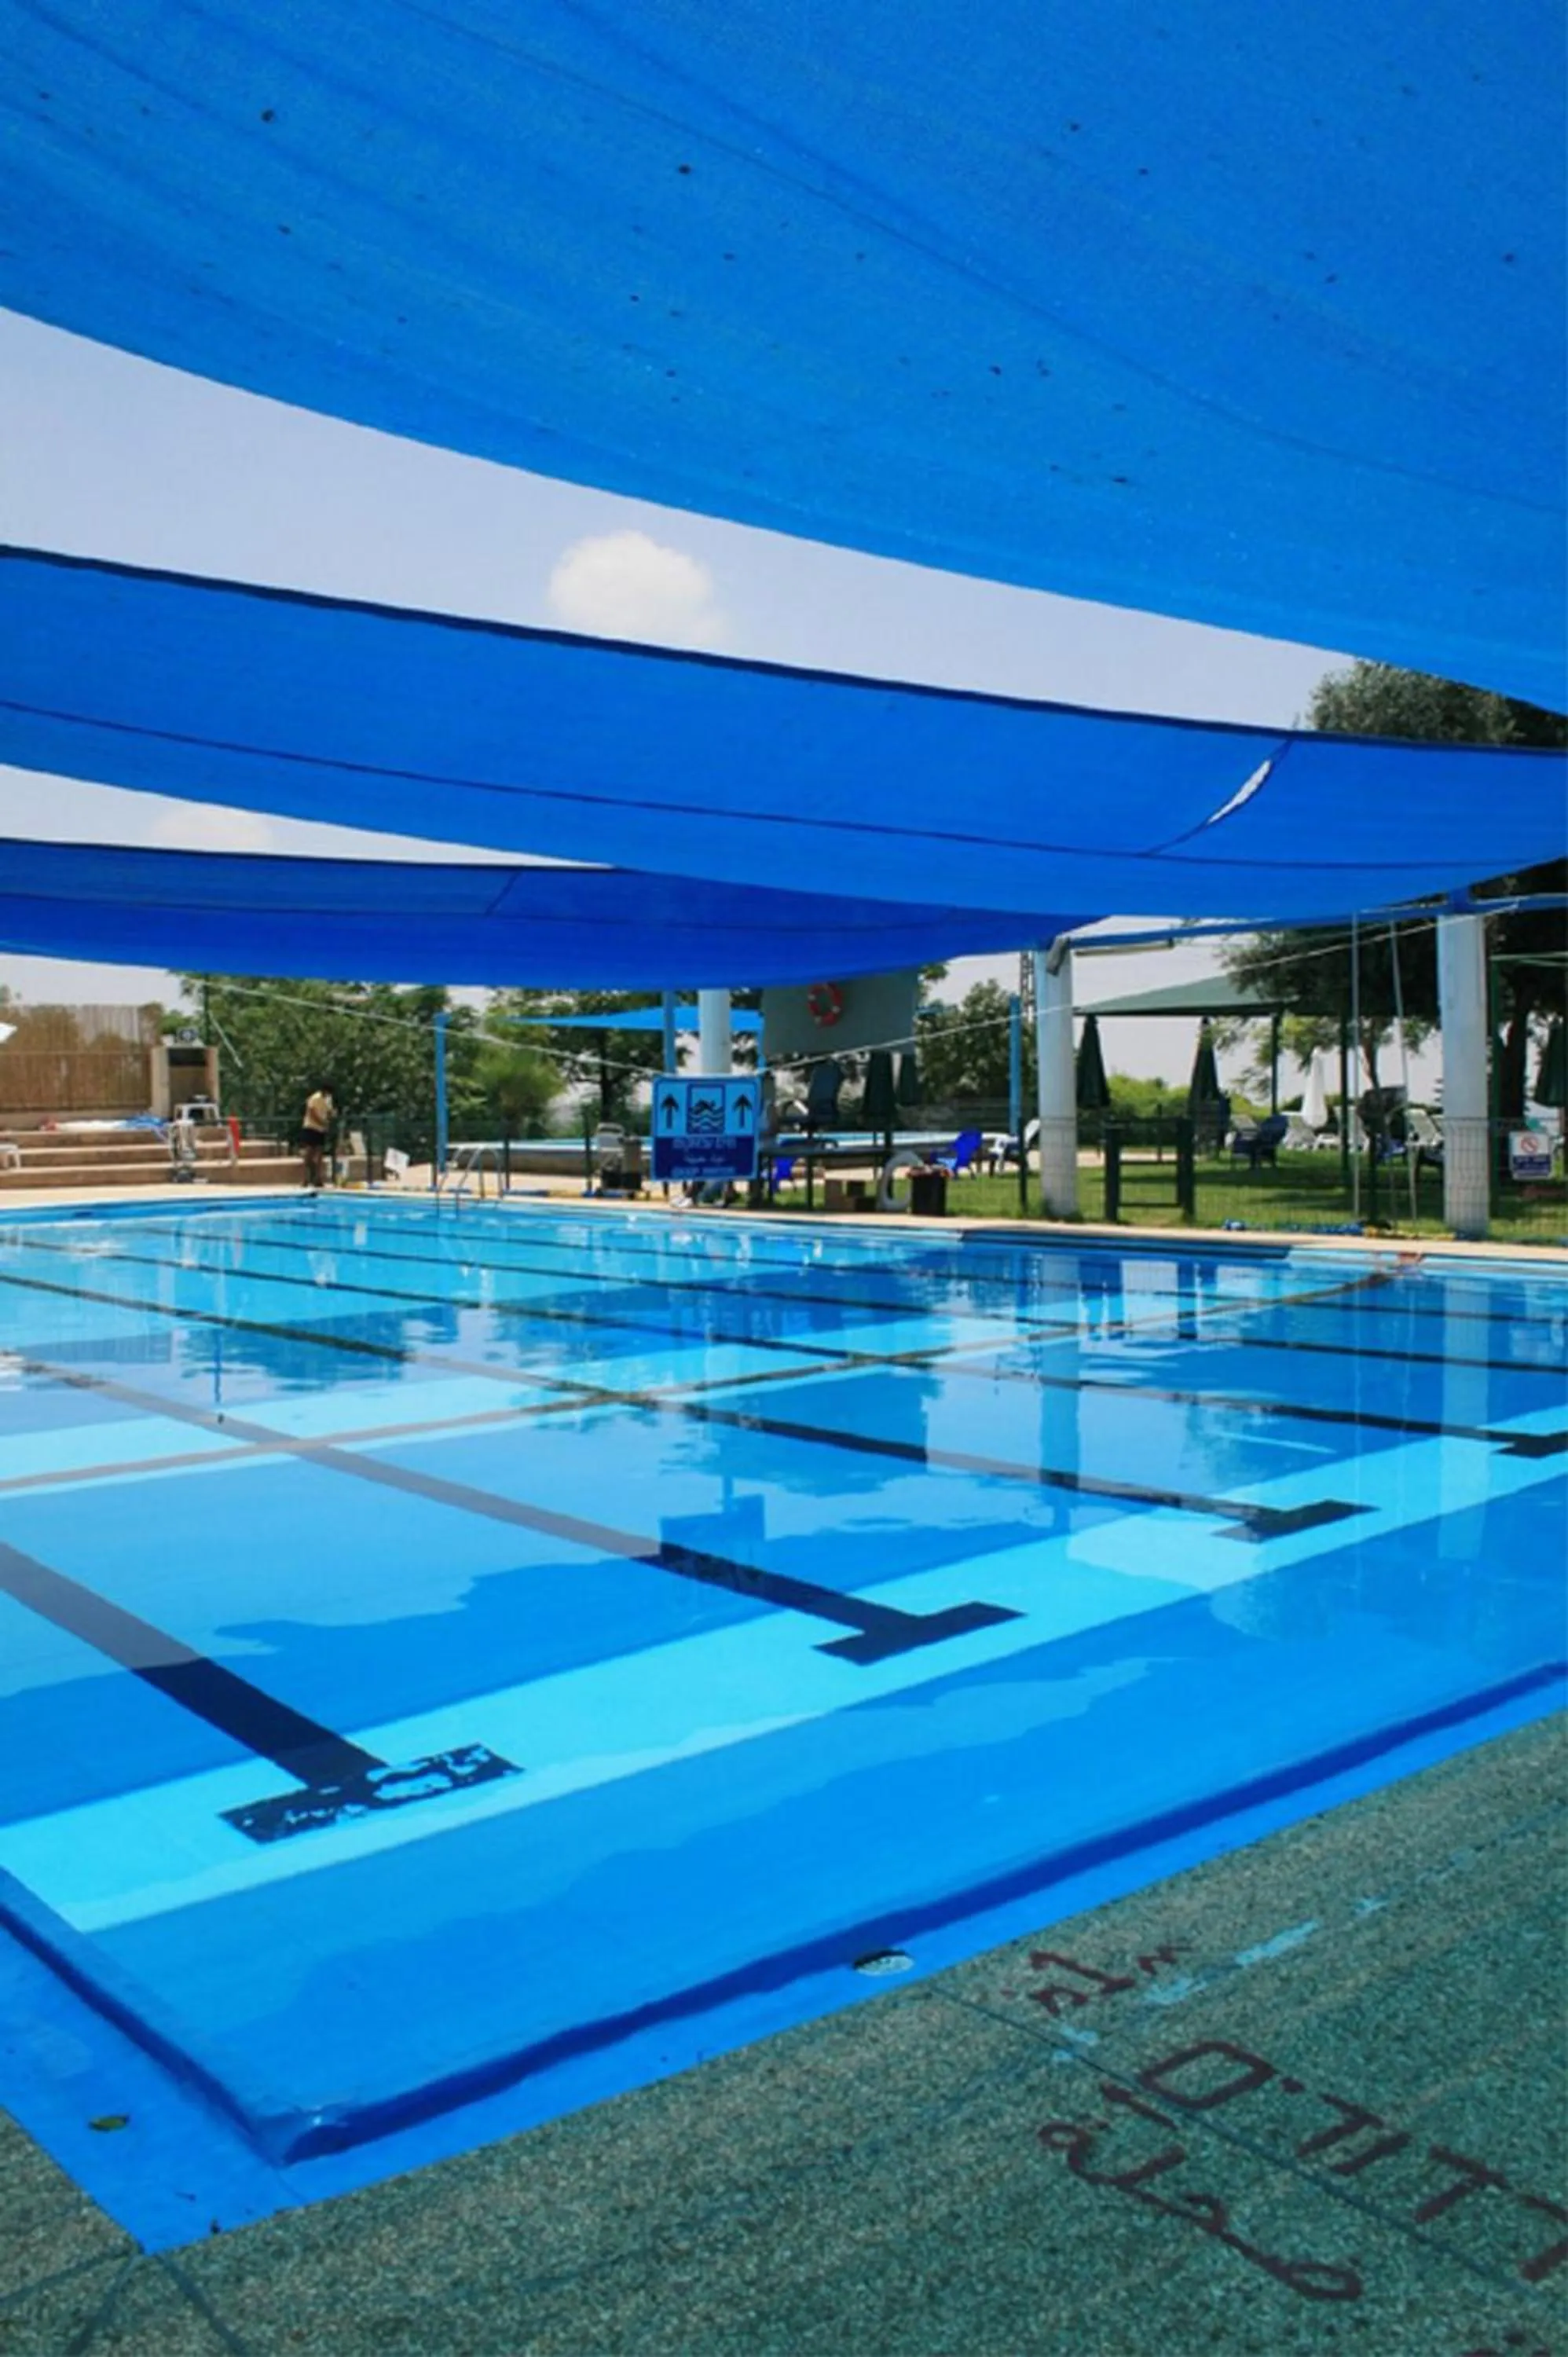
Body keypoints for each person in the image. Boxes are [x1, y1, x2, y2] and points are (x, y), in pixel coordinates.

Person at [299, 1083, 335, 1189]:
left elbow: (329, 1111)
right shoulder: (315, 1098)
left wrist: (331, 1115)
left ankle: (317, 1179)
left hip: (321, 1129)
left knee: (319, 1154)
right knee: (308, 1154)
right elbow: (311, 1112)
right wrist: (321, 1122)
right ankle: (305, 1179)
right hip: (311, 1128)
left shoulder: (328, 1099)